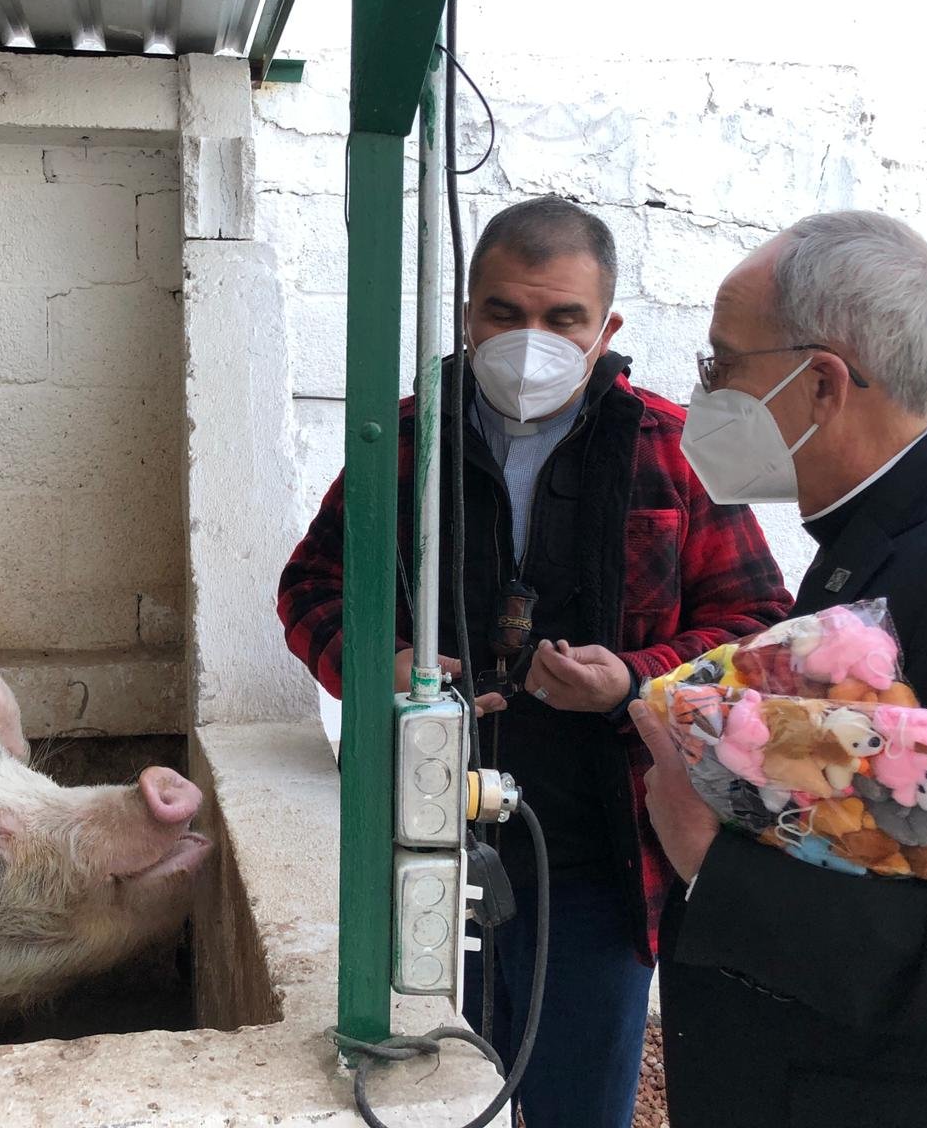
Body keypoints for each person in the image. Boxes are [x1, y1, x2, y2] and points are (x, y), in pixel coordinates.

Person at [277, 196, 793, 1127]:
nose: (530, 342)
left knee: (576, 1103)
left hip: (604, 850)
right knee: (429, 1096)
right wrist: (383, 664)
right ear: (468, 313)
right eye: (504, 315)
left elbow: (757, 628)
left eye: (563, 320)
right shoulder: (400, 443)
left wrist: (636, 681)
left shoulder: (674, 452)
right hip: (422, 845)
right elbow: (310, 589)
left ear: (608, 329)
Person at [633, 209, 927, 1127]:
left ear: (821, 384)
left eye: (721, 365)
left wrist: (712, 860)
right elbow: (891, 825)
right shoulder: (887, 535)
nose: (705, 391)